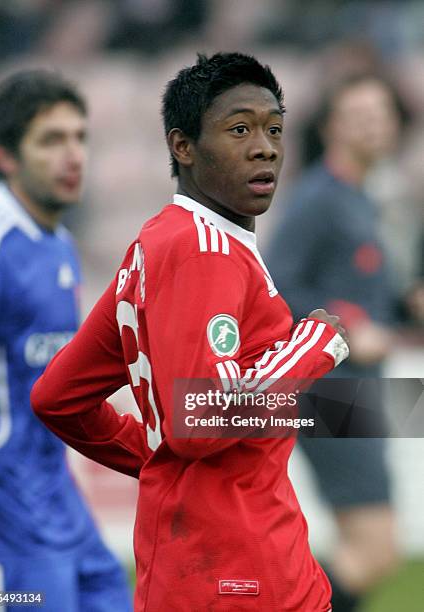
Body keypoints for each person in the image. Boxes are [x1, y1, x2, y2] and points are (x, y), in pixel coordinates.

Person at [31, 52, 350, 611]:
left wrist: (160, 461)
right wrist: (312, 347)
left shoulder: (156, 245)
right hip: (239, 579)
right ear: (183, 147)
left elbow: (58, 397)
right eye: (239, 129)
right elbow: (200, 423)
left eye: (274, 128)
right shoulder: (205, 250)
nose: (265, 146)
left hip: (198, 570)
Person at [0, 70, 132, 612]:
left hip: (57, 496)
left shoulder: (60, 247)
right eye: (51, 140)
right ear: (5, 156)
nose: (74, 156)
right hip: (4, 508)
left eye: (79, 137)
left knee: (117, 596)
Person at [266, 74, 402, 611]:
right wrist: (349, 326)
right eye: (358, 113)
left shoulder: (362, 199)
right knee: (374, 551)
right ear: (331, 127)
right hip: (329, 390)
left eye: (381, 112)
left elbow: (358, 288)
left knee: (369, 549)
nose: (373, 123)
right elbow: (277, 288)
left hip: (357, 389)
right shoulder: (318, 198)